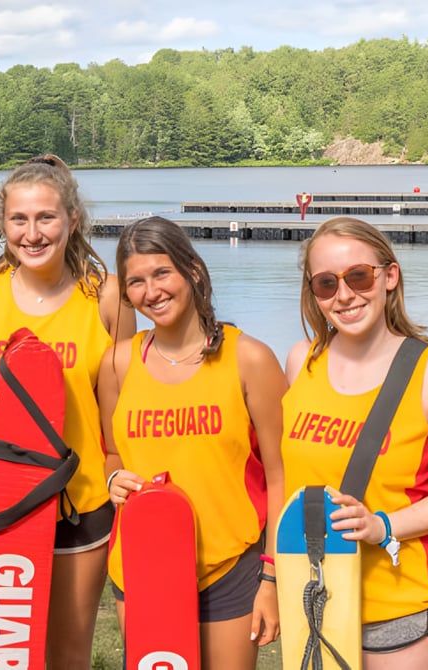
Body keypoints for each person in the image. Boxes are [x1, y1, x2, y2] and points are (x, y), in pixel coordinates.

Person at [0, 154, 135, 669]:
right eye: (19, 219)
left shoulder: (108, 299)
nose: (32, 233)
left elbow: (120, 406)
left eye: (46, 218)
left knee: (66, 655)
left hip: (80, 500)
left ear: (72, 220)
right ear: (1, 224)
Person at [280, 216, 428, 669]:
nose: (345, 295)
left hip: (401, 607)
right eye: (326, 283)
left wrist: (382, 526)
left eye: (358, 276)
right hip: (315, 598)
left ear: (389, 276)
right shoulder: (301, 361)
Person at [100, 216, 287, 668]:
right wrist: (113, 480)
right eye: (136, 282)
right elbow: (111, 453)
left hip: (229, 568)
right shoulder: (119, 362)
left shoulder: (249, 358)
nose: (152, 291)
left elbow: (284, 475)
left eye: (162, 273)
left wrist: (272, 577)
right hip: (141, 563)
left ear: (193, 271)